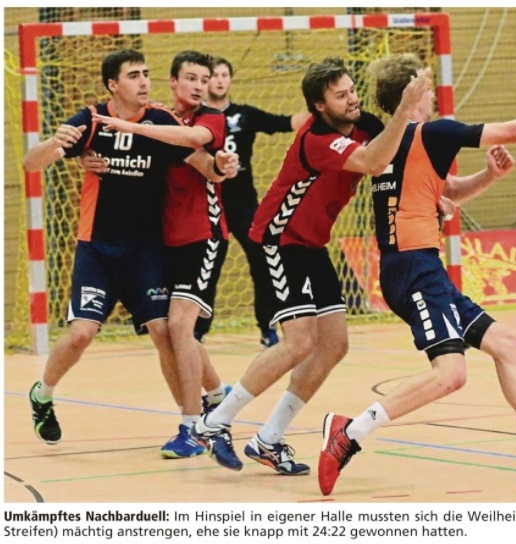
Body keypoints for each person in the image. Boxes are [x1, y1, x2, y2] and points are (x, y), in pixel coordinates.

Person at [317, 53, 516, 496]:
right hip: (414, 268)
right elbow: (513, 131)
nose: (434, 94)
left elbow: (449, 192)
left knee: (505, 345)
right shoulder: (432, 132)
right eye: (427, 85)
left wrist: (490, 175)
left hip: (418, 268)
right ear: (416, 93)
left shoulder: (388, 141)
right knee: (451, 374)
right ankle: (350, 432)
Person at [189, 56, 432, 474]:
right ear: (320, 106)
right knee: (299, 342)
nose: (352, 99)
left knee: (335, 344)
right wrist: (407, 107)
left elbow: (395, 160)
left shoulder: (365, 124)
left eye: (352, 90)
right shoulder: (317, 138)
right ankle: (214, 422)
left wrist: (433, 194)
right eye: (340, 95)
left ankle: (268, 439)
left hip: (313, 244)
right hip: (280, 240)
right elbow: (373, 162)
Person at [23, 49, 236, 457]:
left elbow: (204, 164)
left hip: (146, 253)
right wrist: (54, 144)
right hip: (98, 249)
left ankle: (189, 425)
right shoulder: (90, 121)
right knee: (82, 334)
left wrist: (223, 165)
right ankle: (42, 394)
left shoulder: (159, 120)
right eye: (134, 75)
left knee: (165, 332)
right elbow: (31, 164)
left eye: (146, 73)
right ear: (112, 85)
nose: (143, 81)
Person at [93, 51, 236, 456]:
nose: (199, 86)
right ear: (173, 81)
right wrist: (90, 158)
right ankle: (217, 396)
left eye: (204, 79)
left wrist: (223, 166)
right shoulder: (156, 117)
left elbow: (197, 146)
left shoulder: (210, 118)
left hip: (203, 236)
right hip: (160, 242)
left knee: (180, 327)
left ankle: (192, 429)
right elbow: (119, 147)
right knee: (165, 333)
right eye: (191, 78)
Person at [196, 57, 311, 348]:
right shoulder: (198, 118)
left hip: (243, 204)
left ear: (230, 79)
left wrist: (320, 103)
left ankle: (267, 326)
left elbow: (286, 123)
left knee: (263, 261)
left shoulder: (244, 115)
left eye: (225, 74)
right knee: (208, 266)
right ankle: (197, 329)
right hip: (208, 202)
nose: (219, 80)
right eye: (214, 75)